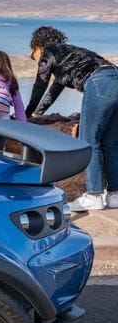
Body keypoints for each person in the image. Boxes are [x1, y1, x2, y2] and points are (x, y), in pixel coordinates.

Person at [25, 25, 118, 211]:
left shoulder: (48, 52)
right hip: (114, 76)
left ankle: (94, 195)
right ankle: (114, 195)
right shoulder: (69, 54)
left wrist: (26, 113)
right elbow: (54, 90)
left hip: (98, 82)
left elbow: (40, 85)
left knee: (88, 140)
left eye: (32, 52)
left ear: (38, 47)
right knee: (111, 142)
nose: (32, 56)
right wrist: (38, 112)